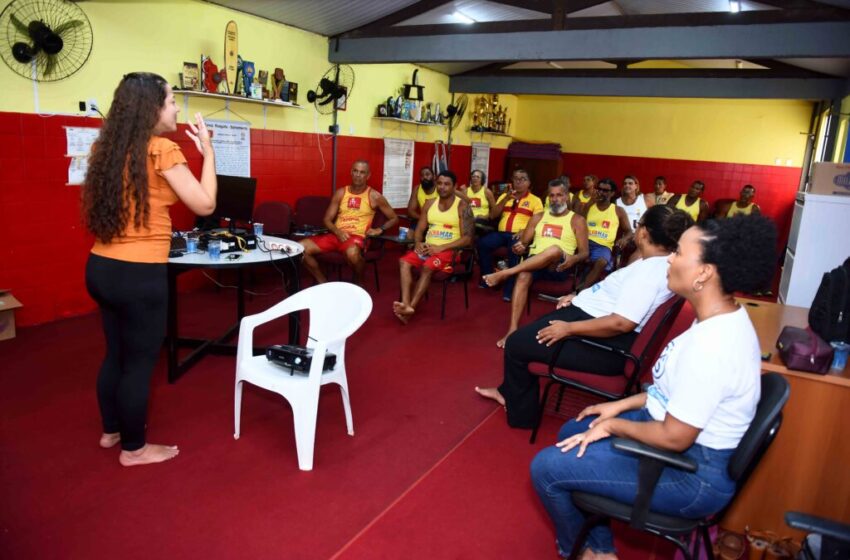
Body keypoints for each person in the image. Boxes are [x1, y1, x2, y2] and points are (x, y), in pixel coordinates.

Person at [529, 215, 777, 560]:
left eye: (678, 252)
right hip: (678, 445)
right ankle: (600, 548)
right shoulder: (716, 319)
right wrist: (620, 406)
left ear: (704, 272)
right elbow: (673, 391)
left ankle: (585, 551)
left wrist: (612, 425)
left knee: (546, 469)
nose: (670, 259)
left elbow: (676, 437)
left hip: (690, 473)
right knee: (574, 428)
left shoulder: (714, 346)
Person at [82, 73, 217, 466]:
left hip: (101, 267)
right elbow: (205, 205)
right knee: (140, 363)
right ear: (151, 108)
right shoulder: (161, 149)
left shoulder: (107, 148)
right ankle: (134, 450)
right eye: (172, 100)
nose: (176, 108)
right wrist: (208, 152)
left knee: (115, 355)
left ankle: (111, 431)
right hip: (138, 276)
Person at [474, 205, 694, 430]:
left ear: (644, 232)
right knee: (528, 334)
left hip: (606, 346)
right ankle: (506, 391)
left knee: (516, 344)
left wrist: (569, 328)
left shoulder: (648, 273)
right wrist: (578, 296)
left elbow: (622, 323)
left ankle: (521, 415)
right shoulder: (654, 262)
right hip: (591, 320)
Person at [482, 179, 589, 348]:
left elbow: (584, 252)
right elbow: (523, 246)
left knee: (554, 249)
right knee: (523, 275)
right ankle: (512, 330)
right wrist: (520, 247)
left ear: (567, 197)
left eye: (559, 195)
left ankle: (505, 273)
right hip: (534, 263)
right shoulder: (538, 217)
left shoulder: (577, 220)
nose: (555, 199)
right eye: (552, 196)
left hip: (559, 265)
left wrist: (573, 259)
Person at [393, 170, 473, 324]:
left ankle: (410, 309)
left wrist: (441, 248)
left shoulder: (463, 206)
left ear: (454, 186)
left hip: (450, 250)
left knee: (427, 267)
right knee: (404, 262)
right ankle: (405, 304)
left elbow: (467, 239)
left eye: (447, 184)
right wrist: (418, 243)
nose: (442, 187)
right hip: (428, 248)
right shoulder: (430, 204)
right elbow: (420, 230)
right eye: (440, 183)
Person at [299, 161, 398, 284]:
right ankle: (322, 282)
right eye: (355, 171)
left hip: (356, 237)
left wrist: (380, 229)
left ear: (368, 176)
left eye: (362, 172)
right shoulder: (341, 193)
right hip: (336, 235)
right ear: (351, 172)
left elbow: (394, 218)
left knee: (352, 254)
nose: (358, 175)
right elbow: (327, 219)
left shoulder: (374, 196)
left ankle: (358, 284)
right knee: (299, 248)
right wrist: (337, 231)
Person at [477, 168, 544, 289]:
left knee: (515, 249)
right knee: (483, 243)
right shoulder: (505, 196)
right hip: (501, 234)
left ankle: (510, 287)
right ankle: (489, 278)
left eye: (522, 179)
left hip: (518, 235)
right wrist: (505, 199)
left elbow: (539, 221)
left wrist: (525, 231)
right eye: (516, 178)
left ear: (529, 182)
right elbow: (493, 215)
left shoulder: (535, 200)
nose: (518, 182)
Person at [578, 179, 631, 291]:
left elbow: (629, 231)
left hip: (603, 246)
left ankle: (581, 291)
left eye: (606, 190)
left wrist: (625, 239)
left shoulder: (618, 210)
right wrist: (590, 203)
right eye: (600, 189)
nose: (602, 192)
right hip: (584, 243)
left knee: (601, 261)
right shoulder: (590, 206)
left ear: (612, 193)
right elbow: (578, 222)